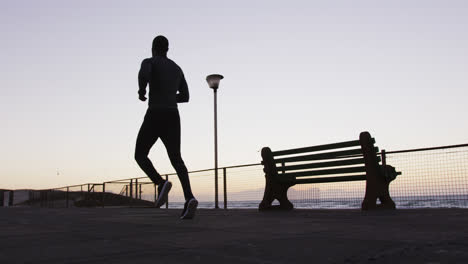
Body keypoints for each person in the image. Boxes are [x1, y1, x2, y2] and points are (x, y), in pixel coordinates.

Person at [135, 35, 198, 219]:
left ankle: (160, 183)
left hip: (155, 113)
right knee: (176, 158)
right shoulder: (177, 68)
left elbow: (144, 73)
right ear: (167, 49)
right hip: (173, 115)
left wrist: (142, 90)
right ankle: (189, 198)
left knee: (140, 154)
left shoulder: (149, 61)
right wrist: (170, 96)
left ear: (153, 48)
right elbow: (185, 96)